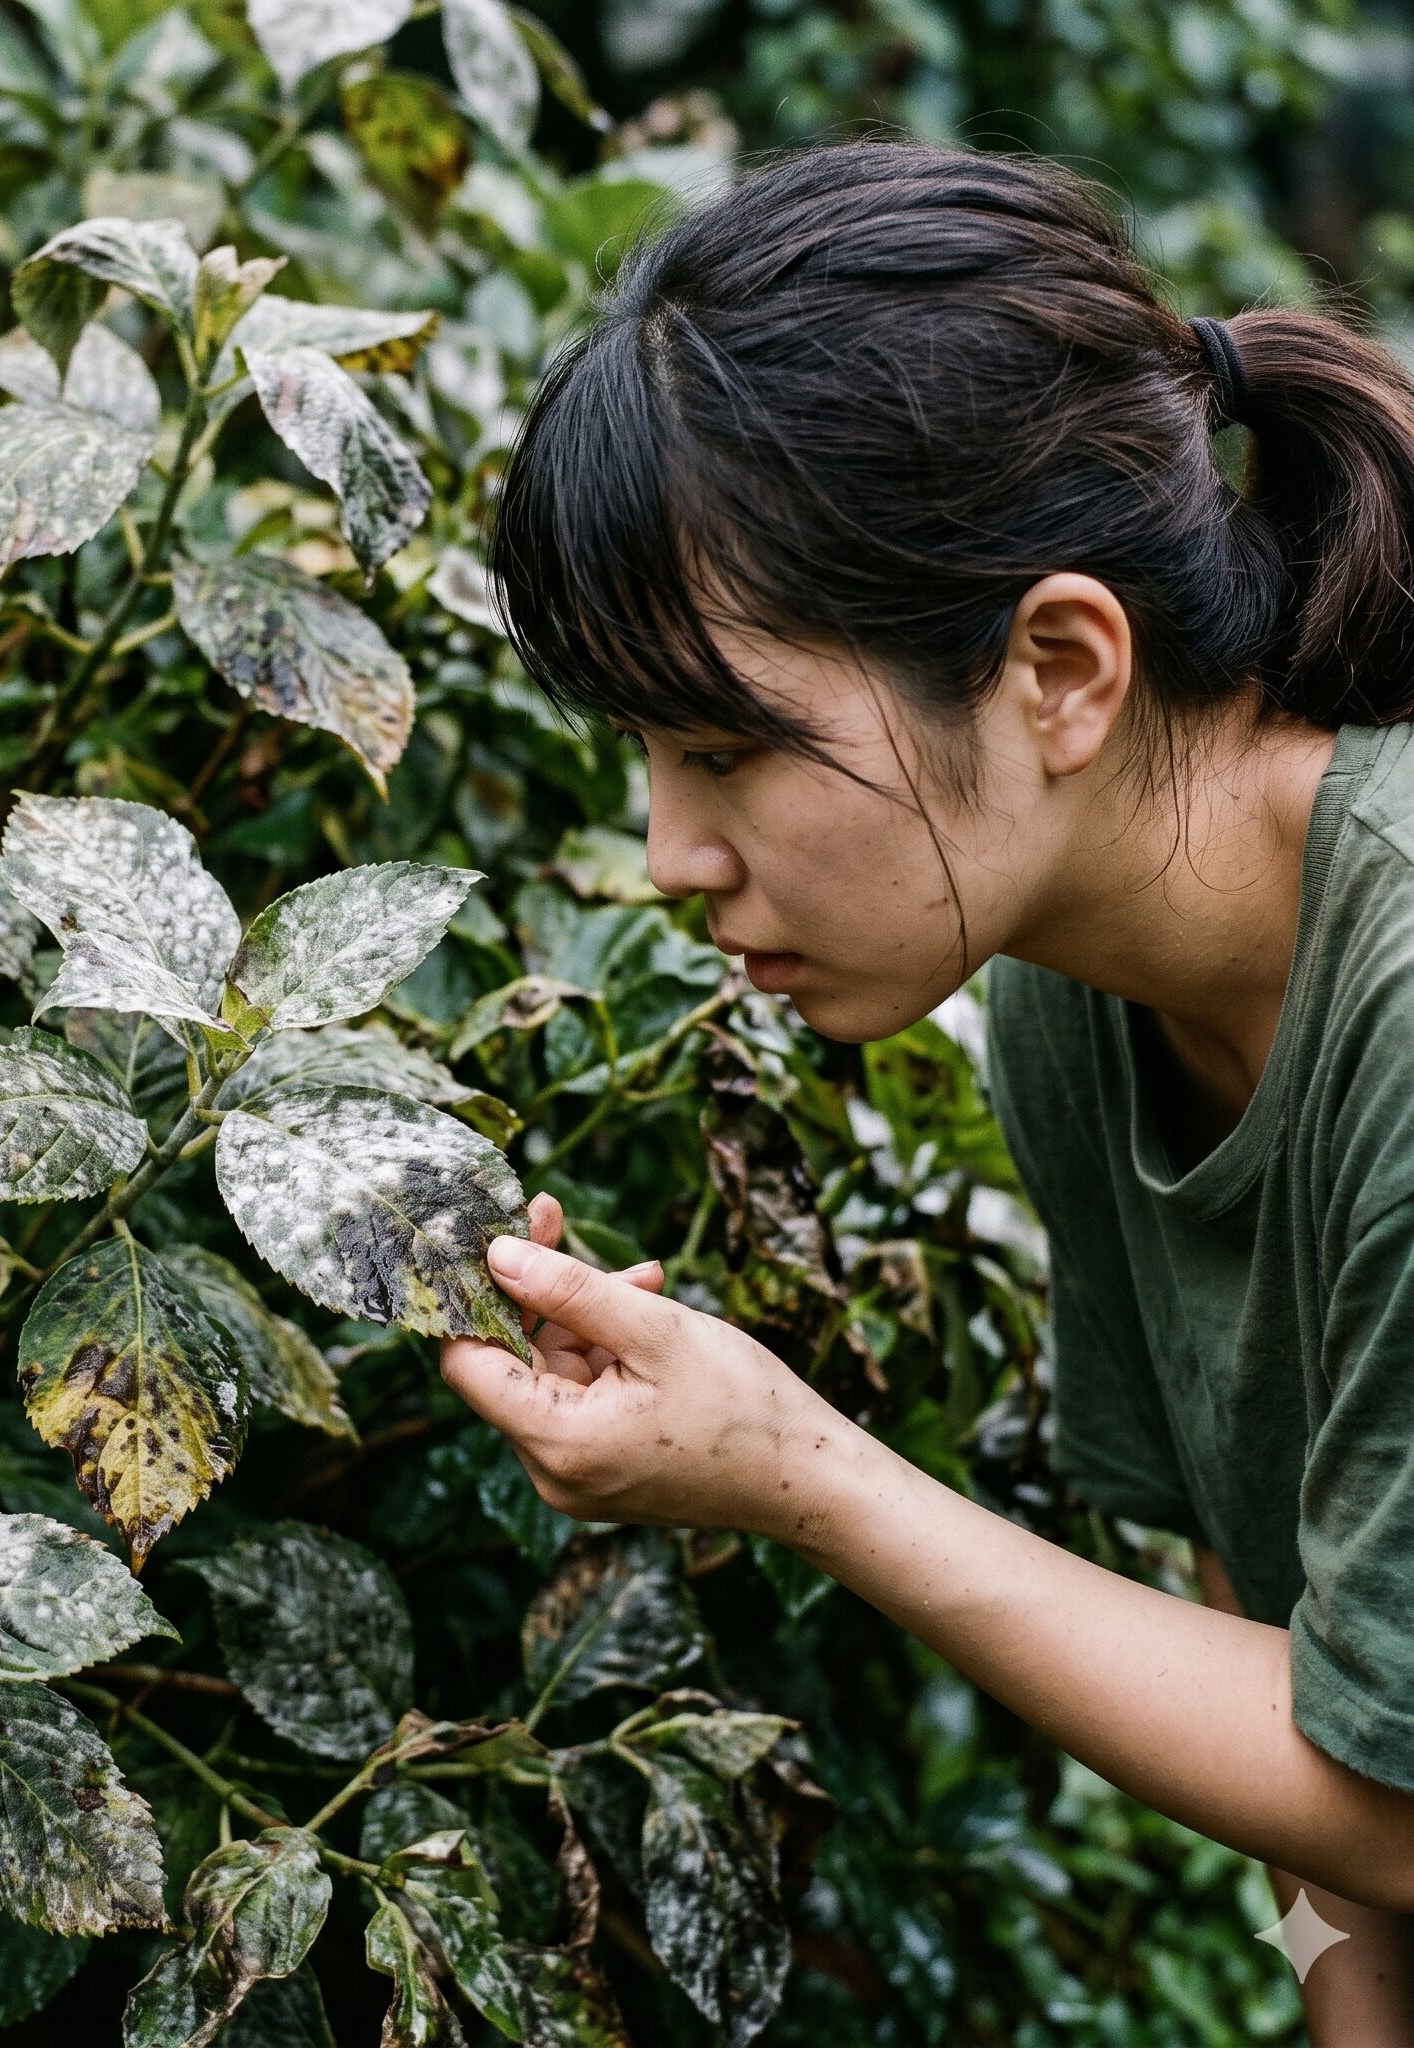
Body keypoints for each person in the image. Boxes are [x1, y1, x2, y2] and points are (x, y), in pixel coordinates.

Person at [439, 138, 1414, 2041]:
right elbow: (1280, 1652)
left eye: (725, 747)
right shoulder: (1070, 978)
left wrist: (802, 1475)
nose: (667, 855)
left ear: (1060, 667)